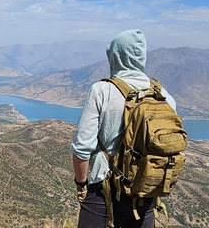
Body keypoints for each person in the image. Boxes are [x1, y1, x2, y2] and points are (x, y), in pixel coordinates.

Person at [71, 29, 176, 228]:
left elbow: (82, 148)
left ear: (116, 56)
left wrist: (81, 185)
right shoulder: (164, 96)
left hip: (103, 193)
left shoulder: (102, 91)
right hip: (145, 194)